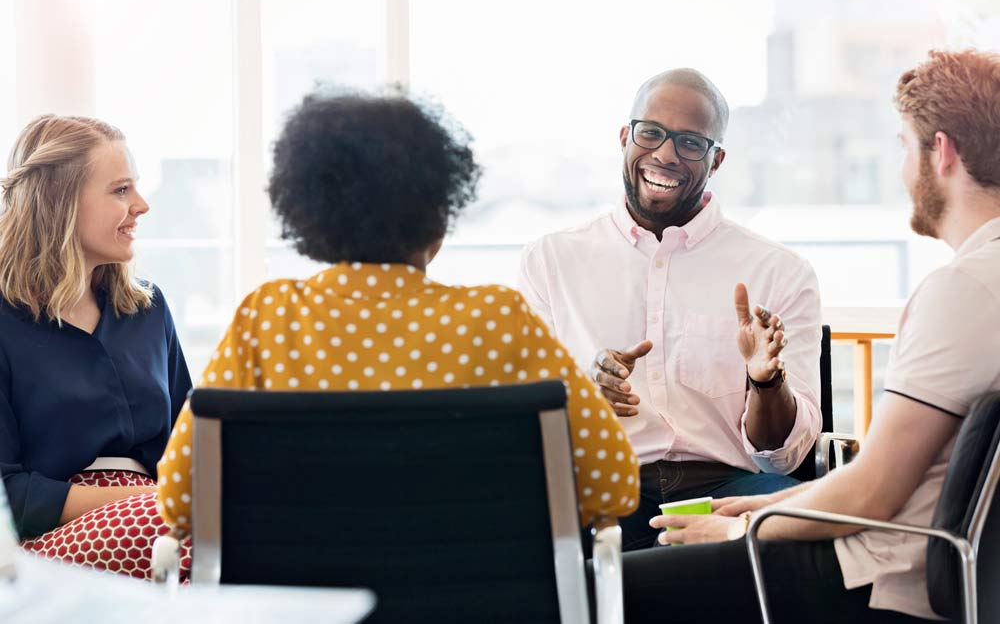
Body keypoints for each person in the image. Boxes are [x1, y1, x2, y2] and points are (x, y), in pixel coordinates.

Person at [620, 49, 1000, 623]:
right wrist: (766, 502)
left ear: (940, 153)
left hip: (878, 574)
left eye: (903, 146)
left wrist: (741, 527)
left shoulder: (963, 290)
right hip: (918, 561)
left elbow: (872, 492)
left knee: (610, 590)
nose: (901, 171)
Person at [156, 90, 639, 533]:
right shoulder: (497, 319)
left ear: (312, 213)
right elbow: (614, 483)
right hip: (476, 599)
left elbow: (180, 497)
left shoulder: (267, 319)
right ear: (438, 213)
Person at [518, 68, 822, 550]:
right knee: (525, 534)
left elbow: (785, 459)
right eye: (652, 133)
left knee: (795, 530)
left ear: (716, 159)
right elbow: (528, 420)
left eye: (689, 142)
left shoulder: (780, 271)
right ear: (625, 137)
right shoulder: (551, 261)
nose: (664, 154)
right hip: (603, 486)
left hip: (727, 489)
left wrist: (766, 381)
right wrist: (584, 394)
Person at [0, 115, 192, 578]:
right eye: (121, 190)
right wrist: (149, 500)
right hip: (47, 538)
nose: (142, 205)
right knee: (180, 534)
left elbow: (189, 444)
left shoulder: (148, 308)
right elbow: (9, 493)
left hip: (156, 518)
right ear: (60, 201)